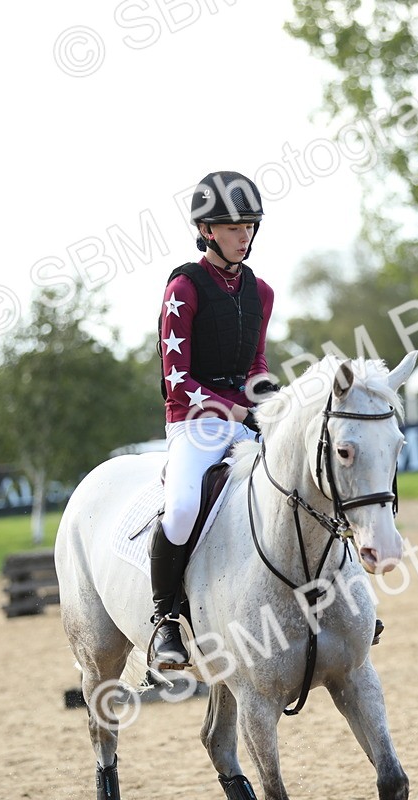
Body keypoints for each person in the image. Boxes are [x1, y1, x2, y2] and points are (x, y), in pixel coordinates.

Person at [149, 170, 277, 668]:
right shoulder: (184, 287)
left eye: (248, 226)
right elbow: (177, 378)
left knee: (306, 482)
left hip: (243, 419)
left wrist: (273, 403)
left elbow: (255, 367)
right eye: (231, 227)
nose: (242, 236)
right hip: (193, 422)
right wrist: (240, 409)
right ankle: (165, 621)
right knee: (181, 510)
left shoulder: (261, 292)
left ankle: (334, 596)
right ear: (207, 231)